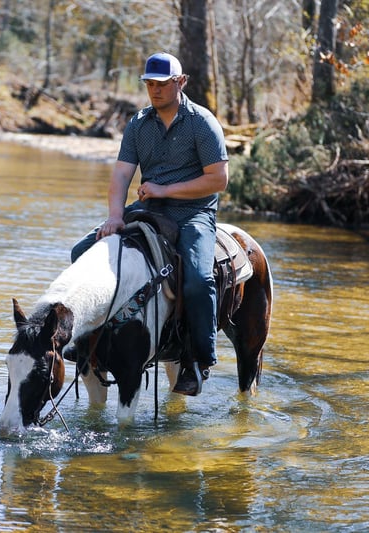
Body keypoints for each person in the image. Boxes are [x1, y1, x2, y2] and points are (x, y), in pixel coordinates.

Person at [70, 52, 229, 396]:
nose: (155, 90)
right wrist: (115, 216)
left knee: (198, 280)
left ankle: (199, 360)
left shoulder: (202, 123)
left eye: (162, 84)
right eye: (149, 84)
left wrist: (165, 189)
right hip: (147, 208)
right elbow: (120, 176)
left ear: (180, 82)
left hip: (193, 213)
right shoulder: (138, 124)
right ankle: (89, 342)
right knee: (80, 252)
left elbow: (218, 179)